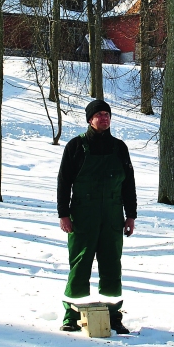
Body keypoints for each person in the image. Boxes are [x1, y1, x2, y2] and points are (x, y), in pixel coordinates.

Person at [57, 99, 137, 334]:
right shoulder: (75, 147)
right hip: (83, 215)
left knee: (112, 264)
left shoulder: (119, 148)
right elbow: (63, 183)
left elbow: (129, 184)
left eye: (107, 114)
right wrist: (63, 214)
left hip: (113, 215)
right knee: (80, 263)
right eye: (99, 114)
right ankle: (72, 314)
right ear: (89, 119)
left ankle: (113, 315)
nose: (104, 118)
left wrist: (130, 215)